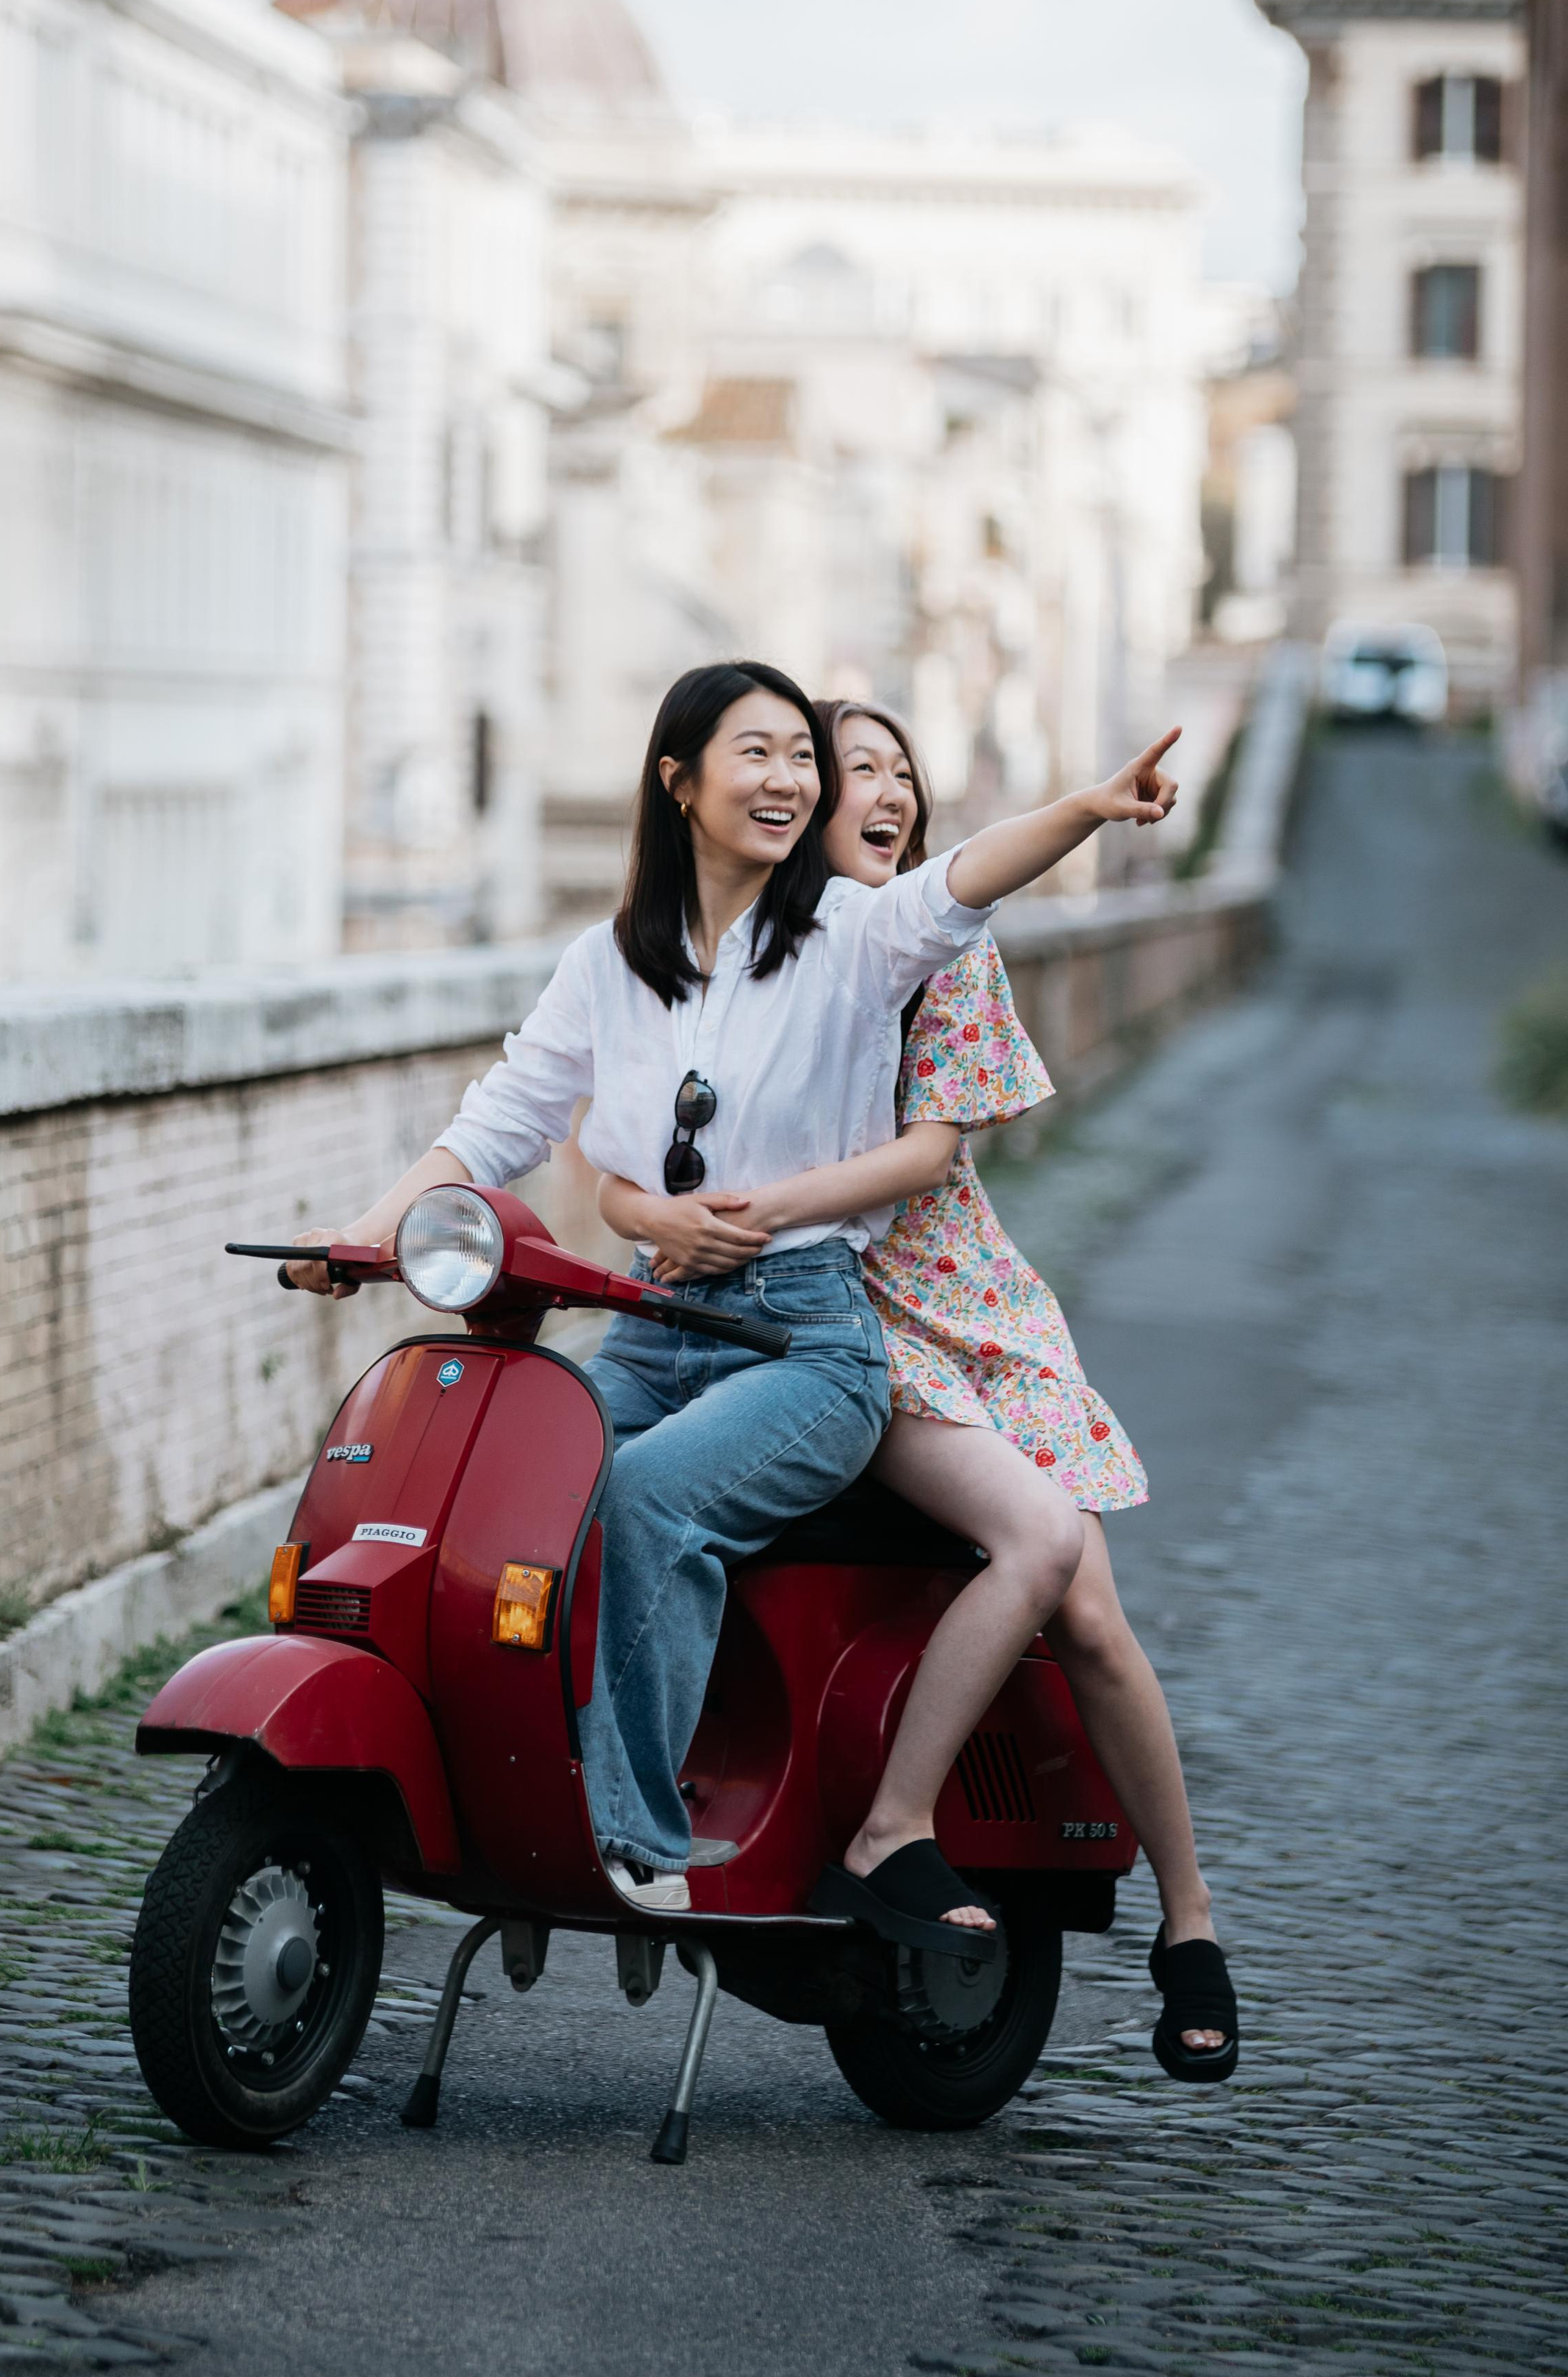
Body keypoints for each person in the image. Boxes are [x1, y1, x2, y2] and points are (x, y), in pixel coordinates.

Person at [286, 658, 1180, 1928]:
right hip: (655, 1328)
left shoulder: (860, 941)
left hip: (809, 1343)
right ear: (680, 780)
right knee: (512, 1499)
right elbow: (504, 1121)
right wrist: (369, 1233)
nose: (788, 780)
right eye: (757, 754)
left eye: (799, 758)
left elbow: (963, 877)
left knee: (651, 1498)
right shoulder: (610, 964)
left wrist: (1087, 810)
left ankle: (631, 1833)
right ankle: (503, 1782)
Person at [597, 698, 1236, 2081]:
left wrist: (745, 1209)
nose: (885, 793)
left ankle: (1189, 1921)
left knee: (1095, 1614)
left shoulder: (938, 949)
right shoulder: (754, 952)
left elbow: (934, 1157)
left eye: (902, 774)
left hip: (962, 1305)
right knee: (1038, 1541)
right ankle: (891, 1824)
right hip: (835, 1315)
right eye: (855, 771)